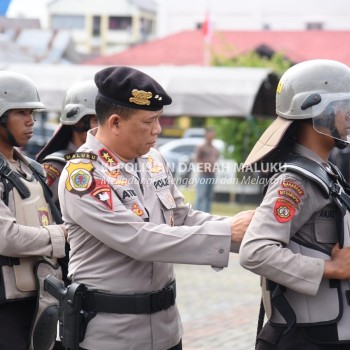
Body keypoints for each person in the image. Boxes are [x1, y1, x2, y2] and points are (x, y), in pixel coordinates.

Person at [56, 66, 254, 350]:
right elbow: (139, 238)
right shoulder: (84, 176)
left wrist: (248, 230)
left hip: (166, 330)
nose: (158, 130)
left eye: (159, 119)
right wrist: (226, 233)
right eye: (149, 121)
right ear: (114, 123)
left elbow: (181, 217)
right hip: (113, 336)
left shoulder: (152, 160)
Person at [239, 59, 350, 350]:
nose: (348, 115)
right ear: (317, 112)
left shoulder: (326, 171)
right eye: (342, 106)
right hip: (307, 339)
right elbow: (255, 252)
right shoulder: (295, 181)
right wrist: (331, 269)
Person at [0, 71, 67, 350]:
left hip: (41, 297)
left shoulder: (33, 169)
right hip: (5, 306)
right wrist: (62, 235)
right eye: (21, 113)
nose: (31, 121)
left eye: (32, 113)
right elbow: (8, 237)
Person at [36, 80, 98, 210]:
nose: (104, 127)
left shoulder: (106, 160)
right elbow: (38, 212)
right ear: (78, 122)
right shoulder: (57, 166)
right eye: (97, 120)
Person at [194, 127, 220, 213]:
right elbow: (197, 159)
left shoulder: (215, 149)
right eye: (211, 133)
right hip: (203, 174)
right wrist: (205, 166)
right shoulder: (201, 147)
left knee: (209, 196)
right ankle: (195, 214)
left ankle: (207, 214)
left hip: (212, 175)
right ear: (206, 134)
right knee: (201, 196)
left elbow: (216, 159)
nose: (212, 135)